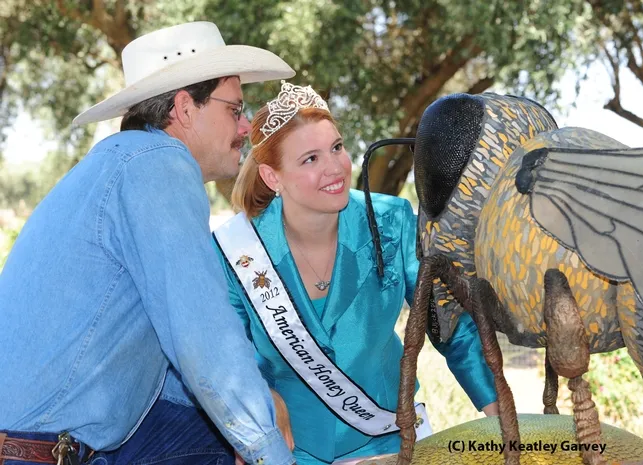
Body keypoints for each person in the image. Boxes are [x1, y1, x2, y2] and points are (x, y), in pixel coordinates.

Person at [0, 22, 297, 465]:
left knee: (241, 423)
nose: (247, 124)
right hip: (38, 453)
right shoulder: (159, 165)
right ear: (184, 109)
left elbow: (164, 363)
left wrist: (261, 406)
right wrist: (270, 453)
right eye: (235, 108)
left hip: (46, 440)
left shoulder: (123, 161)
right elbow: (202, 337)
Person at [208, 81, 499, 465]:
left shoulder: (390, 223)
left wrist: (499, 415)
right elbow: (225, 353)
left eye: (337, 148)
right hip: (293, 451)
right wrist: (262, 396)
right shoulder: (238, 252)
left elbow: (449, 324)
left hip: (389, 442)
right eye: (310, 159)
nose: (335, 168)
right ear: (272, 177)